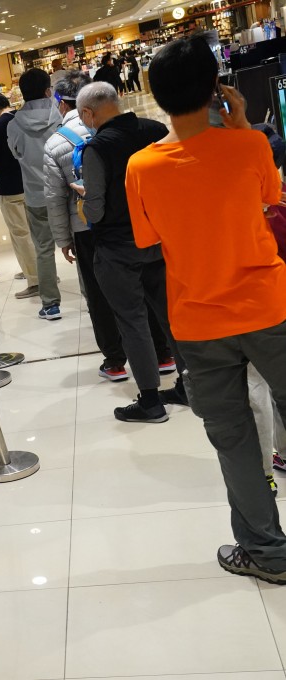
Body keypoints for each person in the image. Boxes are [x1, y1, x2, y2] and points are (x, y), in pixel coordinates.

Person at [126, 35, 286, 583]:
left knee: (235, 440)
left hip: (197, 318)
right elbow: (274, 199)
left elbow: (148, 237)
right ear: (217, 87)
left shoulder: (141, 167)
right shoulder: (251, 146)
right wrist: (241, 129)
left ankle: (267, 553)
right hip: (268, 306)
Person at [43, 74, 176, 384]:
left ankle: (138, 386)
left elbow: (81, 205)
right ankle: (176, 369)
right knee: (166, 310)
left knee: (123, 314)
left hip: (110, 240)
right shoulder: (155, 130)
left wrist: (74, 220)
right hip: (158, 233)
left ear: (87, 112)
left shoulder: (90, 147)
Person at [73, 81, 186, 423]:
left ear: (88, 113)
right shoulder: (155, 130)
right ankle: (188, 384)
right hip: (160, 240)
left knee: (132, 322)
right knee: (170, 317)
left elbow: (95, 210)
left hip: (118, 247)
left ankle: (150, 401)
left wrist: (82, 200)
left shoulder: (98, 148)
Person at [8, 67, 64, 319]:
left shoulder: (14, 125)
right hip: (66, 191)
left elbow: (16, 154)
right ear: (47, 90)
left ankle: (51, 304)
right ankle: (91, 296)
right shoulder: (61, 117)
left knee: (43, 250)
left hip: (35, 194)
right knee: (80, 245)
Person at [0, 92, 39, 297]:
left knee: (20, 234)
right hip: (30, 182)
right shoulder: (22, 119)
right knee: (35, 232)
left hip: (9, 187)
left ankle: (35, 280)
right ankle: (38, 271)